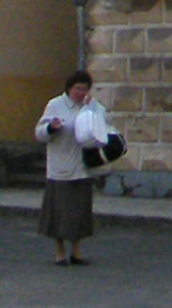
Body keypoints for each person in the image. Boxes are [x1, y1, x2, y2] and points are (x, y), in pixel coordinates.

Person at [33, 68, 109, 265]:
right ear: (69, 88)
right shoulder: (56, 105)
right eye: (77, 88)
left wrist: (94, 107)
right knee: (59, 214)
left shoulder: (89, 105)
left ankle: (76, 252)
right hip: (60, 169)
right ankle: (59, 252)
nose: (80, 92)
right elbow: (39, 133)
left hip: (82, 167)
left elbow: (103, 122)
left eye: (84, 89)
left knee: (79, 213)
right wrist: (51, 128)